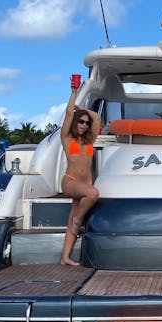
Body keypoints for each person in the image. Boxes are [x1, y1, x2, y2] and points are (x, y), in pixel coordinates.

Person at [60, 77, 101, 266]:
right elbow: (68, 115)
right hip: (70, 181)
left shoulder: (89, 140)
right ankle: (79, 220)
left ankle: (65, 257)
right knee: (92, 195)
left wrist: (84, 110)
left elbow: (97, 119)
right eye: (81, 121)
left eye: (86, 122)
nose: (84, 124)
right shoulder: (68, 139)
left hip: (84, 184)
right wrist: (74, 94)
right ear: (76, 123)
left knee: (71, 222)